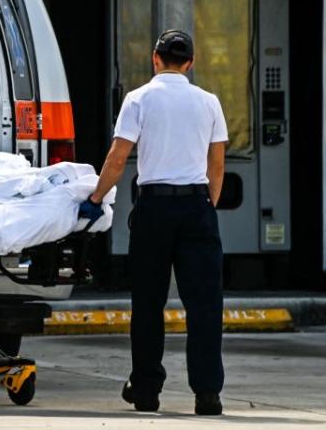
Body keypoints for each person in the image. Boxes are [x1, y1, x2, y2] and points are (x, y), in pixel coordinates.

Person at [81, 29, 228, 416]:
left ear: (155, 58)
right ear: (191, 63)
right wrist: (205, 206)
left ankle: (146, 391)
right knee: (205, 305)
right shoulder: (209, 102)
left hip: (155, 210)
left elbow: (117, 158)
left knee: (148, 303)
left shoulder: (138, 99)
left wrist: (96, 198)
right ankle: (207, 393)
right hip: (197, 207)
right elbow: (217, 166)